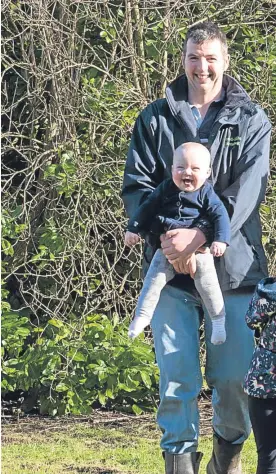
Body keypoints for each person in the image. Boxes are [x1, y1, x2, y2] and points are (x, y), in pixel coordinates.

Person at [122, 21, 271, 474]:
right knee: (177, 379)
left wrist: (202, 235)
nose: (201, 67)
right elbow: (138, 187)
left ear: (225, 62)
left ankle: (227, 456)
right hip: (168, 270)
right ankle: (179, 462)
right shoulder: (154, 119)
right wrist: (169, 241)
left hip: (235, 270)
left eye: (210, 58)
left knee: (231, 382)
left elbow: (249, 191)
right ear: (183, 60)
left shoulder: (252, 120)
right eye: (193, 57)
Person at [125, 142, 230, 346]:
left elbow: (221, 216)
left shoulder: (207, 194)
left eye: (195, 169)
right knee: (153, 279)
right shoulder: (165, 189)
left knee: (209, 285)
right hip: (166, 247)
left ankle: (218, 320)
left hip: (200, 250)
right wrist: (134, 228)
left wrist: (220, 239)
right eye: (180, 167)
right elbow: (146, 208)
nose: (186, 172)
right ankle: (142, 316)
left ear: (207, 172)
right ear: (172, 169)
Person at [244, 277, 276, 474]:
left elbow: (251, 319)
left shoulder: (268, 292)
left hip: (263, 382)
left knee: (268, 459)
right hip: (264, 384)